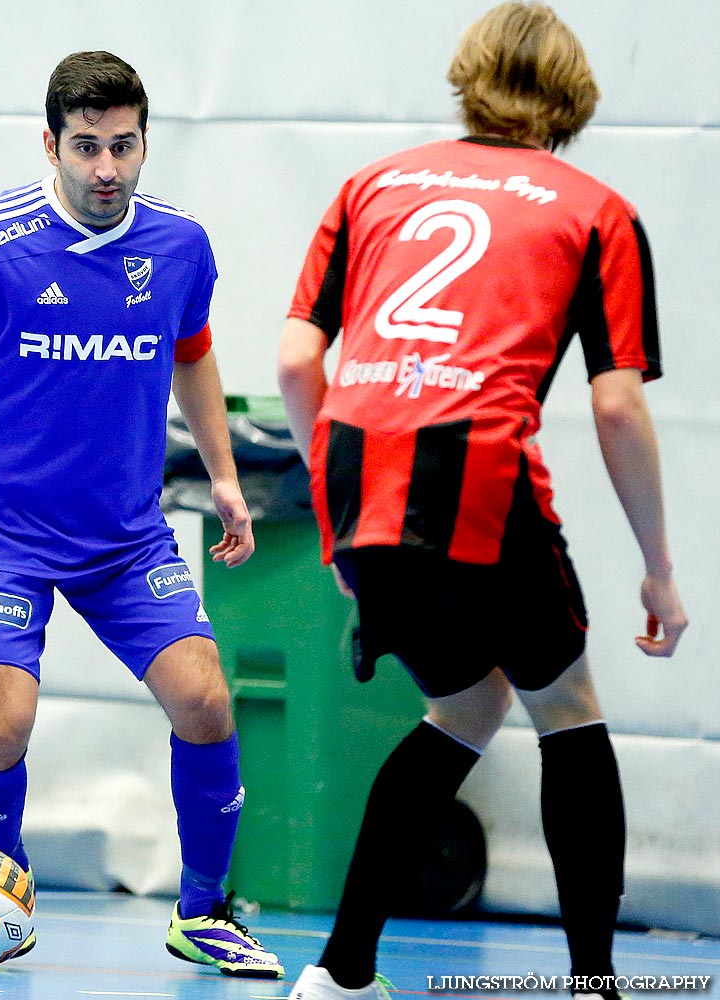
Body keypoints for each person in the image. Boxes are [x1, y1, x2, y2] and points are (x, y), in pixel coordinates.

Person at [0, 50, 282, 979]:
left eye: (123, 146)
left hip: (124, 533)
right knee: (3, 720)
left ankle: (204, 912)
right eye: (86, 147)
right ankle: (9, 885)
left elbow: (192, 353)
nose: (107, 168)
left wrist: (225, 475)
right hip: (0, 529)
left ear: (145, 142)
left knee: (204, 698)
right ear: (52, 144)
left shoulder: (179, 245)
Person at [277, 4, 688, 999]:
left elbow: (297, 359)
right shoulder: (593, 209)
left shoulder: (371, 186)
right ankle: (595, 983)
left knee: (465, 703)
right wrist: (660, 569)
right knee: (566, 706)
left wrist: (340, 506)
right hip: (475, 476)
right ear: (572, 98)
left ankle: (339, 974)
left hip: (356, 475)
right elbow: (617, 404)